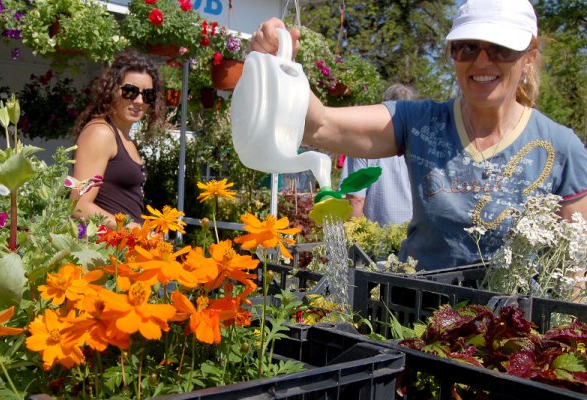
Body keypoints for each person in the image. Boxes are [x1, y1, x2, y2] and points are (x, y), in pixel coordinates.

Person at [249, 0, 587, 270]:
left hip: (514, 339)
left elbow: (574, 269)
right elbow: (320, 125)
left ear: (529, 58)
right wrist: (279, 62)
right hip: (419, 325)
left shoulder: (561, 148)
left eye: (500, 49)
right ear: (453, 55)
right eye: (467, 48)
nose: (482, 60)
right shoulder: (421, 123)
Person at [71, 50, 165, 228]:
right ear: (113, 90)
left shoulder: (126, 138)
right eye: (130, 91)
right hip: (103, 249)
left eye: (148, 95)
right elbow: (79, 205)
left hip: (122, 247)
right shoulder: (101, 133)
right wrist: (132, 229)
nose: (139, 101)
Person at [339, 84, 418, 226]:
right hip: (417, 238)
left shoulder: (364, 144)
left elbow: (355, 199)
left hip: (377, 240)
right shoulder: (422, 145)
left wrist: (354, 240)